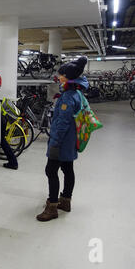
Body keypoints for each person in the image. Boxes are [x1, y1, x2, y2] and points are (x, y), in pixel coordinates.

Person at [36, 57, 89, 222]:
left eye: (61, 74)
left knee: (50, 171)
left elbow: (62, 123)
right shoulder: (77, 93)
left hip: (62, 142)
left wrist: (54, 142)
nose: (59, 77)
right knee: (67, 169)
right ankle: (66, 201)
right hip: (71, 140)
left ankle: (52, 207)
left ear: (67, 77)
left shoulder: (67, 97)